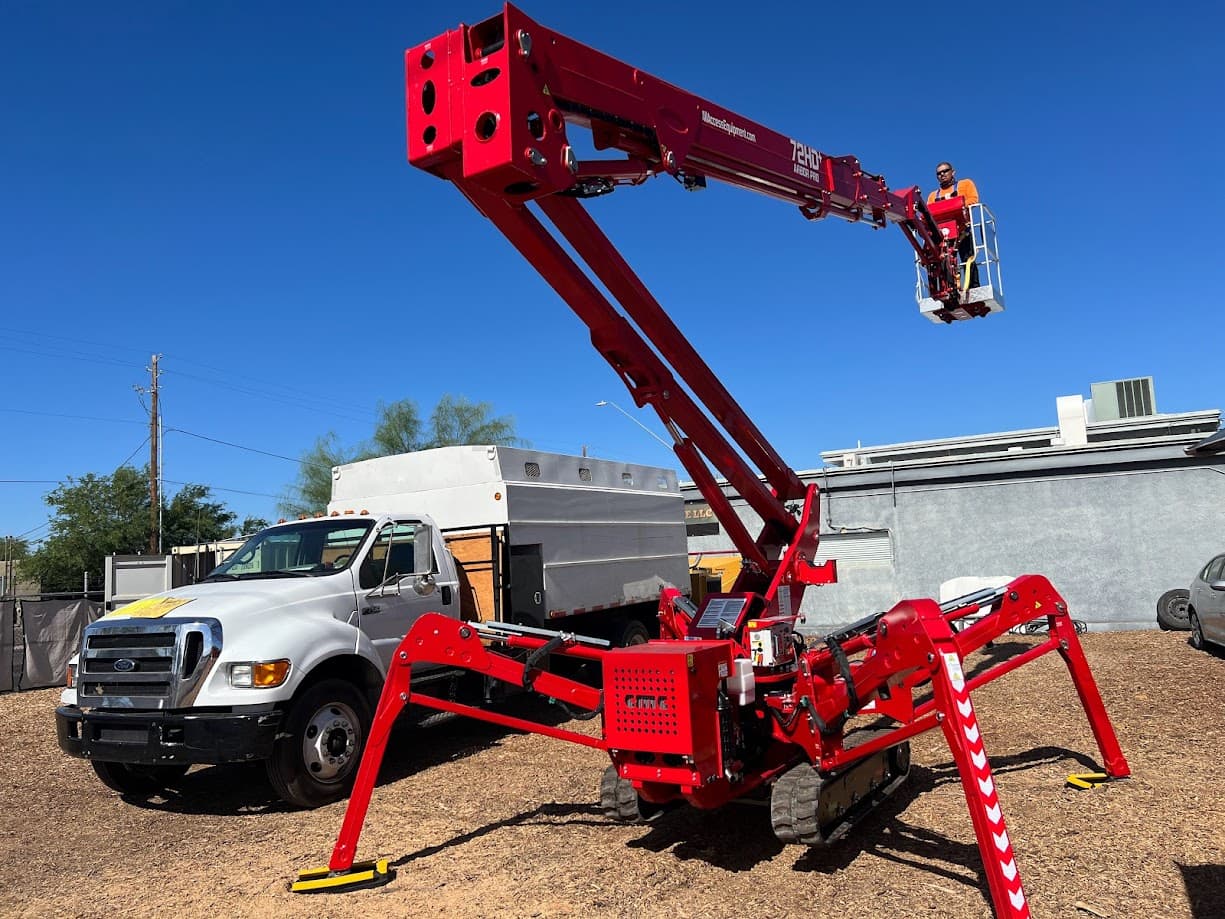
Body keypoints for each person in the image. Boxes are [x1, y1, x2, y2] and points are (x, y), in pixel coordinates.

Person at [928, 162, 980, 289]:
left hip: (963, 231)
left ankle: (974, 287)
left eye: (945, 171)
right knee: (942, 263)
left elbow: (973, 199)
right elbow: (928, 212)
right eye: (939, 173)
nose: (942, 174)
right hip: (943, 236)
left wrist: (955, 204)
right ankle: (947, 289)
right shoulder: (933, 196)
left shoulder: (965, 184)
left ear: (953, 172)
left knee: (968, 260)